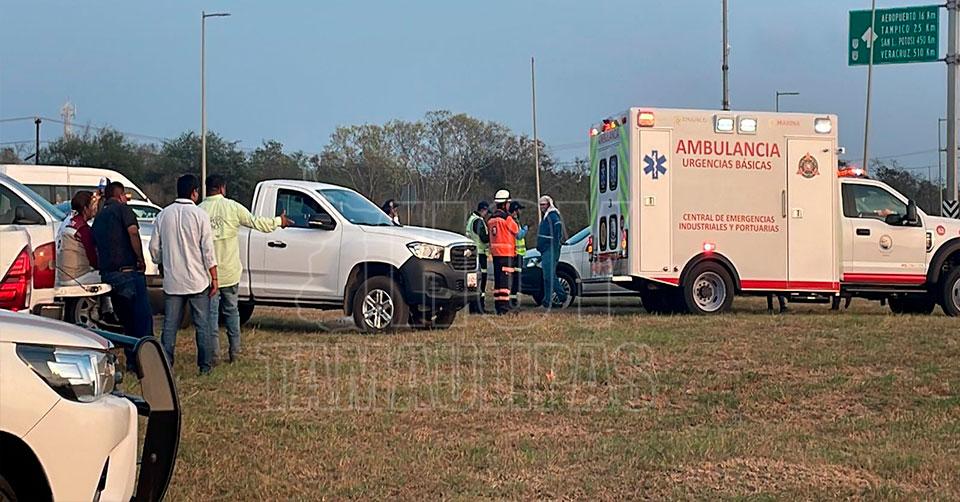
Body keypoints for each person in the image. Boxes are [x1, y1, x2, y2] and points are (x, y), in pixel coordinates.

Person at [200, 174, 292, 363]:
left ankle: (213, 356)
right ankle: (235, 352)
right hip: (230, 272)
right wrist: (278, 221)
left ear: (206, 188)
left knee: (211, 317)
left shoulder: (200, 211)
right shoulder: (232, 207)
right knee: (232, 312)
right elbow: (257, 222)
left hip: (208, 275)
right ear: (222, 188)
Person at [150, 174, 218, 375]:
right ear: (194, 192)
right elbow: (208, 250)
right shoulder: (200, 215)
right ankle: (204, 367)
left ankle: (165, 366)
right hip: (197, 281)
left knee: (170, 326)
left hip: (173, 281)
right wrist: (214, 277)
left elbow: (154, 248)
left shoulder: (163, 215)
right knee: (202, 325)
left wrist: (162, 261)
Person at [92, 182, 153, 366]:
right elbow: (133, 232)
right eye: (125, 196)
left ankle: (132, 362)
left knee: (127, 323)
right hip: (128, 273)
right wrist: (140, 259)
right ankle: (148, 362)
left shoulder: (98, 217)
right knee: (142, 321)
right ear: (120, 196)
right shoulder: (123, 210)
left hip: (109, 276)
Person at [56, 190, 100, 284]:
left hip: (63, 276)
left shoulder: (69, 222)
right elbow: (93, 258)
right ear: (85, 208)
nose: (94, 209)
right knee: (108, 277)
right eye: (92, 205)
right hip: (77, 276)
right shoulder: (83, 229)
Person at [487, 189, 519, 315]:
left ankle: (499, 307)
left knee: (498, 282)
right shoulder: (507, 218)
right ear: (505, 204)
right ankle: (505, 308)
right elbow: (516, 230)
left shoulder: (491, 219)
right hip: (506, 254)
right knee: (505, 282)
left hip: (495, 254)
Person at [537, 195, 567, 310]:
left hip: (550, 249)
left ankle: (561, 296)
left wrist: (554, 245)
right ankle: (548, 301)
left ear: (548, 204)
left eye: (543, 204)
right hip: (546, 249)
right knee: (548, 276)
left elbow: (557, 231)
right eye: (540, 205)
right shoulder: (547, 216)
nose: (541, 207)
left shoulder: (553, 215)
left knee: (548, 276)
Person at [465, 201, 490, 314]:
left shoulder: (471, 219)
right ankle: (479, 307)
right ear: (483, 210)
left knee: (474, 281)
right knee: (481, 280)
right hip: (479, 253)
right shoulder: (478, 221)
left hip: (472, 253)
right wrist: (491, 236)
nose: (486, 215)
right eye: (486, 212)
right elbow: (484, 238)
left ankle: (473, 307)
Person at [508, 201, 528, 308]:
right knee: (515, 278)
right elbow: (519, 236)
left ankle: (513, 298)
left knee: (516, 278)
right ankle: (512, 300)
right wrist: (525, 229)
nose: (520, 212)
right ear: (515, 211)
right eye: (519, 209)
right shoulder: (513, 222)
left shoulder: (515, 221)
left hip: (518, 253)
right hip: (516, 254)